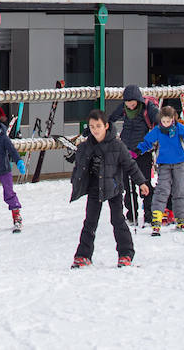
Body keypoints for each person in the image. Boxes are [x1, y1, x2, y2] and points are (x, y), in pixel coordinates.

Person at [68, 109, 149, 268]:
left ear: (106, 126)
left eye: (98, 126)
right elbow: (80, 167)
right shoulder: (86, 146)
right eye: (92, 126)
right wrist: (75, 180)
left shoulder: (117, 145)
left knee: (117, 220)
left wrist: (142, 182)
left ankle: (126, 253)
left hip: (113, 187)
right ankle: (83, 255)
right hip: (94, 188)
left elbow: (130, 165)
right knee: (90, 222)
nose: (95, 130)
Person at [137, 106, 184, 235]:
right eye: (163, 121)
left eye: (168, 121)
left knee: (179, 190)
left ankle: (181, 218)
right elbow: (148, 142)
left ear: (173, 119)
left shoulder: (179, 128)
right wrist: (138, 150)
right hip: (164, 163)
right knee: (162, 190)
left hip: (179, 163)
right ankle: (156, 218)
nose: (166, 124)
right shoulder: (158, 130)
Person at [107, 84, 159, 224]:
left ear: (138, 100)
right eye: (127, 102)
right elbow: (111, 118)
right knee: (127, 184)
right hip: (126, 151)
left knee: (145, 183)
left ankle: (149, 213)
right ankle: (131, 214)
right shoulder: (123, 108)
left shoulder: (147, 108)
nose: (130, 105)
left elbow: (159, 120)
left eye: (132, 102)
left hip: (142, 151)